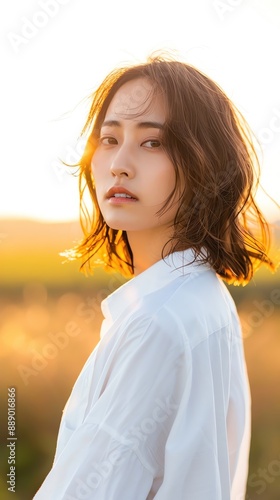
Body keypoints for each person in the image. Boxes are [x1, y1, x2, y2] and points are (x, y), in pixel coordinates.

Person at [33, 54, 276, 499]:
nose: (119, 164)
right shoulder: (203, 297)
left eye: (152, 143)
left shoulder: (158, 323)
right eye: (108, 139)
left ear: (206, 164)